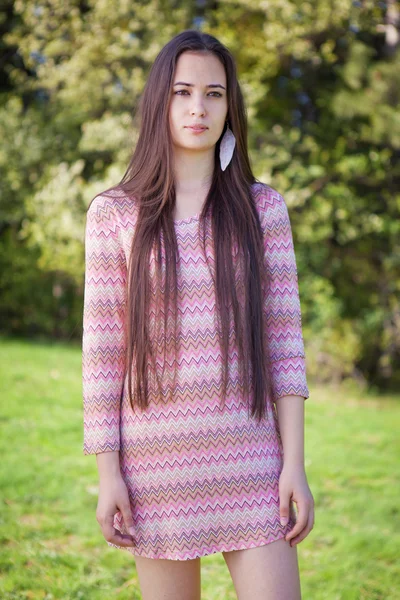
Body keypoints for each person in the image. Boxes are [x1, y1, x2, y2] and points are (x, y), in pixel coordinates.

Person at [82, 29, 314, 600]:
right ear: (160, 101)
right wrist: (108, 474)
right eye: (183, 91)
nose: (198, 108)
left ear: (230, 106)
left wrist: (295, 465)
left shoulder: (264, 209)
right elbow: (103, 356)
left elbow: (284, 344)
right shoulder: (114, 214)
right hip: (155, 465)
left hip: (252, 459)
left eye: (214, 93)